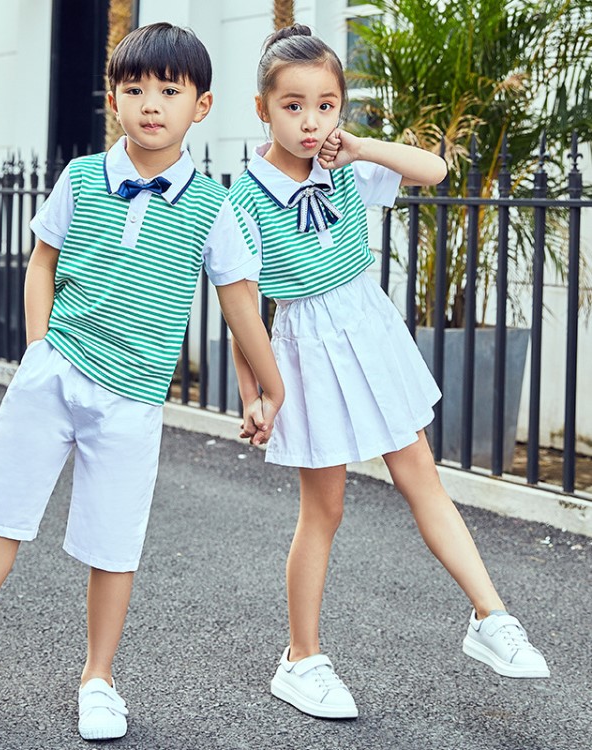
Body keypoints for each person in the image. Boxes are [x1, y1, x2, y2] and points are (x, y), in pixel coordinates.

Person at [0, 22, 283, 742]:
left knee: (114, 543)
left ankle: (99, 678)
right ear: (113, 99)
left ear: (201, 106)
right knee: (2, 520)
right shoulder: (81, 178)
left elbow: (241, 306)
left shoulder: (213, 207)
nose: (150, 103)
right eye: (135, 89)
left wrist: (271, 386)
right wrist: (40, 348)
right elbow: (42, 262)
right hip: (57, 373)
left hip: (134, 399)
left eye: (170, 90)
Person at [228, 24, 549, 721]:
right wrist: (254, 392)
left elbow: (432, 170)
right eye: (292, 106)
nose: (310, 121)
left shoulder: (347, 163)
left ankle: (489, 617)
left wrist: (361, 146)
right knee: (325, 507)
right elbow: (242, 304)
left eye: (326, 104)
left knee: (419, 474)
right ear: (263, 108)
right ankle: (301, 658)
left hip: (367, 329)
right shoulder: (244, 199)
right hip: (307, 346)